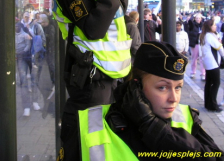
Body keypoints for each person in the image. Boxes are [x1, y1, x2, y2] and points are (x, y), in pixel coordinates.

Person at [52, 0, 132, 160]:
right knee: (86, 140)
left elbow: (115, 15)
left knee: (103, 139)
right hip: (90, 76)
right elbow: (94, 29)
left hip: (109, 75)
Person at [78, 41, 224, 161]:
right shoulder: (90, 124)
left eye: (178, 87)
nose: (174, 98)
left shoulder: (187, 117)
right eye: (162, 87)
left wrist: (154, 127)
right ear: (136, 86)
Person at [15, 22, 41, 116]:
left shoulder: (31, 29)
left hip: (32, 57)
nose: (16, 28)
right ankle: (26, 106)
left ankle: (35, 101)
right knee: (23, 81)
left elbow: (38, 40)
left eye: (17, 27)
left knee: (34, 80)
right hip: (21, 57)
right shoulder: (15, 35)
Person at [199, 19, 224, 112]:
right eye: (214, 25)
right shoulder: (209, 36)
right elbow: (219, 47)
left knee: (209, 83)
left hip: (207, 62)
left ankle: (208, 103)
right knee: (216, 83)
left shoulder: (205, 35)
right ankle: (213, 105)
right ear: (210, 26)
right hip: (212, 63)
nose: (215, 26)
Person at [39, 13, 56, 89]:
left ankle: (54, 80)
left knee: (51, 65)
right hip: (46, 50)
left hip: (50, 50)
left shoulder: (50, 28)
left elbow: (52, 40)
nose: (42, 24)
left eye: (43, 22)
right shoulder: (43, 28)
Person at [188, 13, 205, 80]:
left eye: (199, 18)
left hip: (201, 43)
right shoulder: (192, 25)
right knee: (194, 58)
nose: (198, 19)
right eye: (197, 18)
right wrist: (193, 16)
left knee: (202, 59)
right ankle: (193, 72)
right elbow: (189, 21)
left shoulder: (203, 25)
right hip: (194, 43)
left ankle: (203, 73)